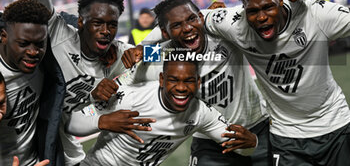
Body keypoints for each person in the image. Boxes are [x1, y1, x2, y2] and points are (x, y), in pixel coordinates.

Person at [121, 0, 311, 166]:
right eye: (177, 26)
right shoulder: (162, 53)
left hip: (257, 129)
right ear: (165, 33)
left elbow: (254, 6)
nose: (187, 29)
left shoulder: (221, 32)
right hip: (210, 142)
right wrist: (139, 47)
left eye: (192, 19)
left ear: (201, 19)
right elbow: (131, 71)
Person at [24, 0, 154, 165]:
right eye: (98, 23)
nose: (106, 31)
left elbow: (165, 57)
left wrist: (145, 51)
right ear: (81, 22)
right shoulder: (58, 32)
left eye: (112, 25)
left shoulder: (120, 53)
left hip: (63, 145)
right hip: (26, 129)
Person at [204, 0, 350, 165]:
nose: (262, 17)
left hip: (335, 126)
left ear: (281, 1)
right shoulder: (236, 24)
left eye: (268, 7)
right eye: (253, 11)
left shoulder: (315, 14)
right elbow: (188, 20)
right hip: (286, 136)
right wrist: (149, 50)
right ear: (244, 11)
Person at [67, 54, 258, 165]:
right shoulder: (129, 97)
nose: (181, 88)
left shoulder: (201, 113)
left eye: (189, 81)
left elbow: (242, 148)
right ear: (161, 80)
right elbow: (72, 124)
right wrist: (102, 121)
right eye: (174, 80)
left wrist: (253, 142)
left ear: (198, 83)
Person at [0, 0, 51, 166]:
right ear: (4, 37)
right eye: (23, 44)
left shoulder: (46, 63)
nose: (33, 52)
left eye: (39, 44)